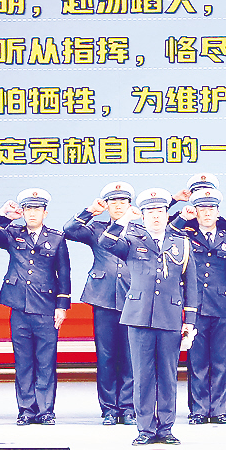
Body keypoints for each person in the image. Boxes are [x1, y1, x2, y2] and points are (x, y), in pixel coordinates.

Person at [103, 188, 201, 445]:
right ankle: (145, 429)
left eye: (160, 211)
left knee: (168, 376)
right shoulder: (132, 240)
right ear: (143, 216)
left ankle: (166, 428)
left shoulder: (181, 243)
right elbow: (106, 243)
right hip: (138, 317)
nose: (156, 216)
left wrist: (190, 322)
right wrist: (124, 219)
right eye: (150, 212)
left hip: (170, 317)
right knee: (143, 376)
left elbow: (191, 285)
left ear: (167, 215)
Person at [0, 188, 71, 426]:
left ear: (45, 213)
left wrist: (62, 306)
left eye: (36, 209)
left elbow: (64, 273)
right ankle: (26, 410)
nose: (32, 213)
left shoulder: (56, 238)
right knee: (23, 362)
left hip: (46, 308)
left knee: (46, 362)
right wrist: (2, 213)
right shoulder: (12, 233)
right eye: (28, 209)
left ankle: (45, 410)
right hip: (19, 306)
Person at [66, 182, 138, 426]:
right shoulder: (97, 228)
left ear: (130, 205)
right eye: (113, 202)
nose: (118, 206)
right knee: (106, 356)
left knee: (130, 356)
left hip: (132, 297)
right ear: (106, 205)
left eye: (123, 201)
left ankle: (128, 407)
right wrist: (89, 211)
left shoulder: (139, 229)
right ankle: (109, 409)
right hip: (103, 297)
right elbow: (69, 230)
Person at [174, 183, 226, 426]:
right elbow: (169, 234)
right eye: (202, 209)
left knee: (221, 360)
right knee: (197, 360)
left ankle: (219, 410)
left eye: (211, 209)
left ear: (218, 212)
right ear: (195, 211)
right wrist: (182, 218)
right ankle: (198, 410)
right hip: (194, 307)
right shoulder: (186, 236)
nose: (206, 213)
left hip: (222, 306)